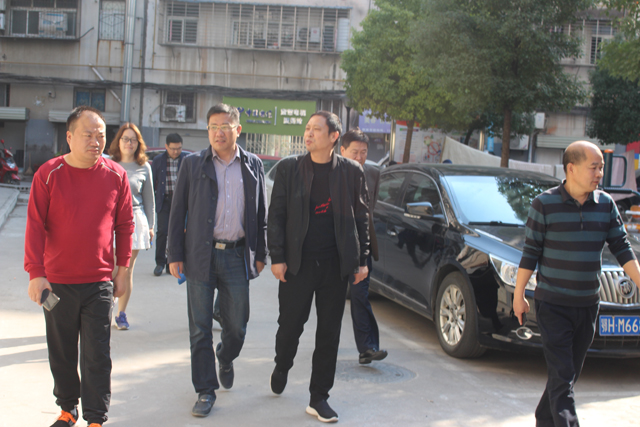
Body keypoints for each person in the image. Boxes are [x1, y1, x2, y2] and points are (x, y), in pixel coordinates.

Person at [513, 140, 640, 427]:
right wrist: (519, 295)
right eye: (594, 167)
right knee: (563, 377)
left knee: (566, 376)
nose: (599, 174)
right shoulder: (544, 204)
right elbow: (530, 252)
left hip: (588, 305)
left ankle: (544, 418)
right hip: (553, 305)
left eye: (601, 168)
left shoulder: (605, 204)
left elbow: (621, 247)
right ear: (571, 168)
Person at [24, 105, 134, 427]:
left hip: (98, 281)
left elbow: (125, 225)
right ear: (69, 137)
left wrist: (122, 270)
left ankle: (96, 417)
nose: (95, 141)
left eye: (100, 135)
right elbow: (35, 225)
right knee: (61, 351)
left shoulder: (116, 175)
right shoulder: (49, 174)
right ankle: (67, 409)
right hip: (57, 282)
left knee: (97, 353)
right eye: (88, 135)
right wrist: (36, 274)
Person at [268, 111, 370, 423]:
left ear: (334, 136)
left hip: (334, 267)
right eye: (307, 128)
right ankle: (282, 364)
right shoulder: (289, 168)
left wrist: (362, 260)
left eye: (316, 129)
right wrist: (277, 257)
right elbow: (276, 216)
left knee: (329, 333)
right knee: (290, 327)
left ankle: (319, 397)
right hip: (297, 265)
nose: (309, 134)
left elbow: (362, 218)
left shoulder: (351, 172)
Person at [167, 103, 268, 418]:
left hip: (237, 254)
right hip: (200, 254)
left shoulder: (252, 164)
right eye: (212, 126)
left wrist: (261, 253)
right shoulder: (193, 164)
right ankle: (205, 390)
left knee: (236, 326)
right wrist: (174, 254)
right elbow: (177, 212)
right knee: (199, 328)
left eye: (224, 126)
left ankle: (225, 356)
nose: (218, 132)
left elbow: (261, 213)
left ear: (238, 130)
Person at [339, 129, 388, 364]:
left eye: (364, 152)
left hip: (361, 247)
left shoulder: (373, 173)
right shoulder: (331, 171)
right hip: (333, 246)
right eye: (354, 152)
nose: (359, 157)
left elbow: (369, 212)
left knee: (360, 295)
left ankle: (368, 347)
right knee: (330, 301)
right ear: (342, 151)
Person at [108, 123, 155, 330]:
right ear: (118, 141)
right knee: (110, 269)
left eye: (133, 140)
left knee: (125, 270)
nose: (129, 143)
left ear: (138, 144)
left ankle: (121, 314)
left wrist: (151, 226)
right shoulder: (108, 163)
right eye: (125, 139)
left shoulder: (144, 167)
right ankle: (105, 309)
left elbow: (149, 200)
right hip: (109, 220)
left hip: (135, 220)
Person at [152, 133, 188, 276]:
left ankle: (171, 262)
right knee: (162, 232)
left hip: (181, 202)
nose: (176, 151)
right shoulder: (158, 160)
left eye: (179, 148)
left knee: (179, 232)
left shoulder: (186, 159)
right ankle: (160, 262)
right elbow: (153, 181)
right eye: (173, 148)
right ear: (166, 146)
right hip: (164, 200)